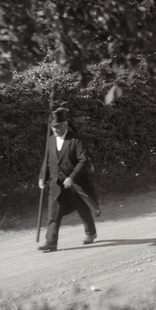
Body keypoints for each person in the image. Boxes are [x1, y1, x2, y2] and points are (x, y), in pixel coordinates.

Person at [37, 107, 100, 252]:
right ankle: (51, 242)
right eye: (53, 127)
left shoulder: (75, 140)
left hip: (74, 184)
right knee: (53, 213)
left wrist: (72, 178)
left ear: (65, 124)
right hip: (55, 184)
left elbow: (83, 161)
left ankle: (90, 233)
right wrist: (42, 177)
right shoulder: (51, 140)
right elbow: (47, 162)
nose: (55, 130)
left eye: (58, 127)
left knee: (82, 208)